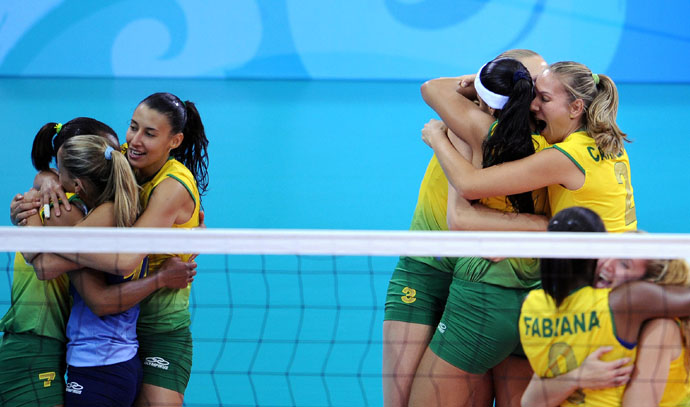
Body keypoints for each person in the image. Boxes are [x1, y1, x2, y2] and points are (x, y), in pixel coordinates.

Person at [19, 92, 209, 407]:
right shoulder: (123, 159)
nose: (134, 140)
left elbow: (125, 260)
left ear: (174, 141)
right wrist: (47, 180)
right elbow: (72, 167)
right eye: (133, 127)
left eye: (150, 133)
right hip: (122, 335)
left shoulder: (172, 187)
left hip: (160, 326)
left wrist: (48, 242)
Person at [383, 50, 550, 407]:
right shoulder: (468, 116)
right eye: (531, 79)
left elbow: (432, 88)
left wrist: (440, 135)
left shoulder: (525, 132)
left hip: (479, 282)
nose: (537, 88)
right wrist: (481, 81)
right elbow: (432, 88)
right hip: (426, 268)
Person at [519, 206, 690, 406]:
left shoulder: (661, 327)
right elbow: (530, 401)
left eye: (624, 264)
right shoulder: (592, 310)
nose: (607, 264)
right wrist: (578, 377)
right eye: (608, 252)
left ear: (647, 286)